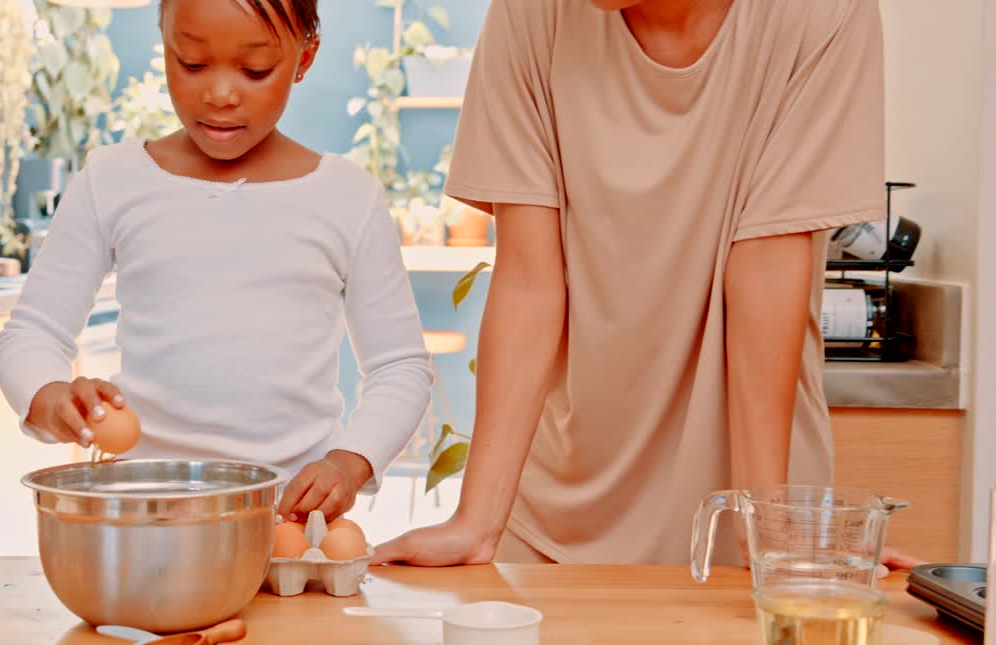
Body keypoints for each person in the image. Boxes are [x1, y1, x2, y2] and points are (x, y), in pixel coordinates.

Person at [373, 0, 924, 572]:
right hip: (556, 518)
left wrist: (766, 528)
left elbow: (766, 268)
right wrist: (476, 522)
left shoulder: (823, 13)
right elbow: (529, 280)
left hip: (747, 509)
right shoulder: (530, 12)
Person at [0, 0, 433, 523]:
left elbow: (399, 366)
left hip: (292, 519)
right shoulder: (111, 179)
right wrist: (49, 396)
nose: (220, 94)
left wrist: (349, 462)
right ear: (164, 41)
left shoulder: (347, 197)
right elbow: (33, 332)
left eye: (255, 70)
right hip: (147, 512)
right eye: (192, 63)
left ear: (304, 57)